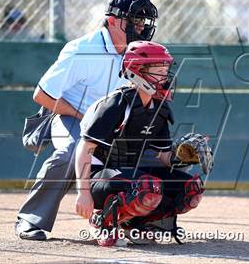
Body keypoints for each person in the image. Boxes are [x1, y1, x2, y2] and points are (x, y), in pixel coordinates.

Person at [15, 0, 158, 240]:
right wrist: (83, 116)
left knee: (150, 153)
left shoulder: (138, 50)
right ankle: (31, 219)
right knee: (72, 153)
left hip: (112, 120)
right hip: (70, 114)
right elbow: (42, 95)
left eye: (142, 21)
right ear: (112, 21)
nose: (140, 26)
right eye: (133, 20)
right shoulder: (82, 49)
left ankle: (142, 221)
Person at [75, 41, 207, 246]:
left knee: (191, 189)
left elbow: (163, 157)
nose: (165, 77)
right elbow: (84, 150)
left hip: (130, 173)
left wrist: (181, 156)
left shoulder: (159, 109)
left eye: (166, 70)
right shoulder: (115, 105)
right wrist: (83, 193)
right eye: (159, 71)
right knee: (147, 186)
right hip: (99, 177)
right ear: (137, 72)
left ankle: (137, 225)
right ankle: (103, 221)